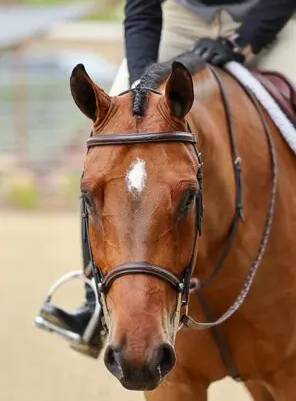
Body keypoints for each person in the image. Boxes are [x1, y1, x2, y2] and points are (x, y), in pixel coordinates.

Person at [39, 0, 296, 357]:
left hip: (271, 23)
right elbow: (142, 7)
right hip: (181, 21)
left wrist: (244, 42)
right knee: (111, 140)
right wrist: (144, 90)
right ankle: (93, 302)